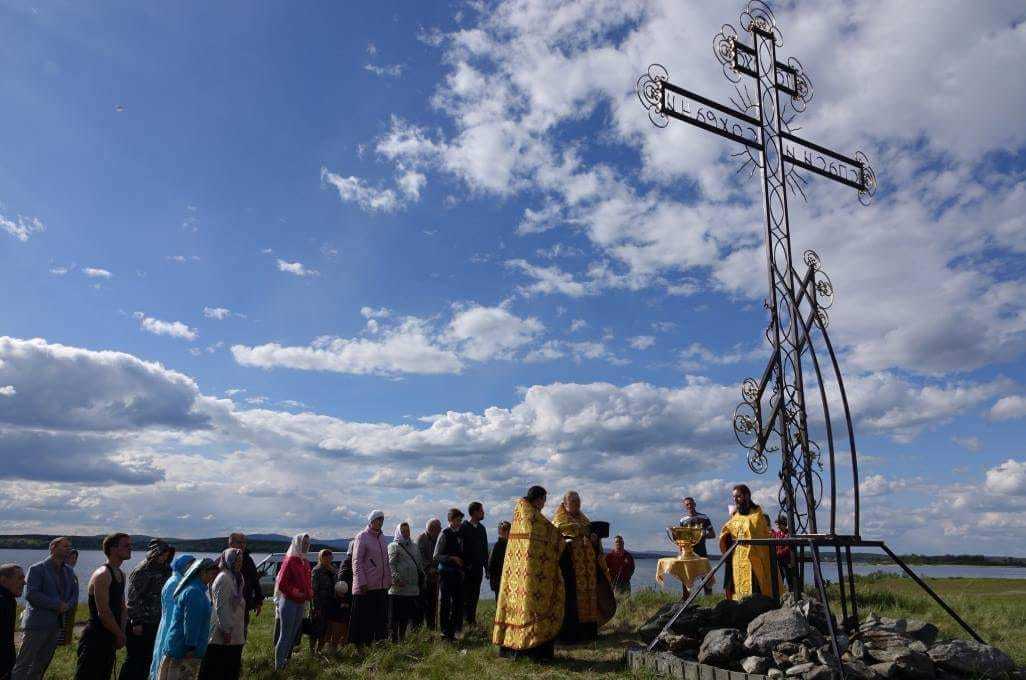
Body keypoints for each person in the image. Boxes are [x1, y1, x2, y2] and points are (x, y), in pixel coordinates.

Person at [493, 486, 564, 660]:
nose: (544, 504)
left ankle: (510, 649)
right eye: (544, 500)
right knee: (533, 609)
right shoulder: (532, 517)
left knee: (516, 609)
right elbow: (552, 534)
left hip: (517, 573)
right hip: (530, 575)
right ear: (538, 499)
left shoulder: (520, 514)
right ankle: (533, 651)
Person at [12, 536, 78, 680]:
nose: (69, 549)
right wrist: (57, 605)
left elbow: (74, 595)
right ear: (53, 548)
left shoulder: (69, 571)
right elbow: (31, 594)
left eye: (69, 546)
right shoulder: (37, 569)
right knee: (24, 663)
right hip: (37, 624)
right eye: (65, 546)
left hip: (56, 625)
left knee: (42, 663)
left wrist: (67, 605)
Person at [553, 491, 614, 643]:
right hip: (570, 570)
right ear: (565, 503)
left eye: (578, 501)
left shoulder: (584, 519)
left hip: (588, 571)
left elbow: (594, 542)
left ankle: (589, 634)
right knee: (572, 602)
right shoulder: (559, 520)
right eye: (574, 501)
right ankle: (570, 636)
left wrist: (594, 538)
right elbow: (559, 540)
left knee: (590, 600)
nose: (577, 504)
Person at [75, 533, 131, 680]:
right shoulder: (103, 574)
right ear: (113, 549)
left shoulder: (121, 574)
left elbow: (122, 607)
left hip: (110, 636)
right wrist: (119, 635)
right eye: (126, 545)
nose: (130, 548)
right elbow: (104, 613)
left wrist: (122, 632)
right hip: (95, 637)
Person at [119, 539, 174, 680]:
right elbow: (132, 598)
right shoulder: (142, 570)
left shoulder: (166, 570)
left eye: (166, 554)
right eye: (162, 554)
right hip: (141, 623)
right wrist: (136, 622)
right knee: (135, 661)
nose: (164, 557)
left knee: (148, 660)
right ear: (154, 553)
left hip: (156, 622)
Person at [156, 558, 218, 680]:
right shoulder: (194, 592)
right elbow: (191, 622)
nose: (213, 577)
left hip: (179, 646)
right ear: (202, 572)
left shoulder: (194, 588)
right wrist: (191, 646)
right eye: (211, 573)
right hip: (184, 651)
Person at [718, 485, 780, 600]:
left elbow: (759, 533)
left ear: (747, 496)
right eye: (734, 497)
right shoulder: (735, 515)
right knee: (737, 587)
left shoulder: (757, 514)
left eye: (738, 496)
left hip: (753, 556)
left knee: (755, 587)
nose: (735, 500)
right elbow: (727, 529)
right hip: (737, 556)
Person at [198, 549, 246, 680]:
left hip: (233, 632)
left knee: (229, 669)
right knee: (220, 670)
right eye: (236, 560)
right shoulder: (224, 578)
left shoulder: (236, 577)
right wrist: (227, 630)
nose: (239, 563)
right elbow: (221, 607)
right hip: (223, 635)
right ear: (228, 560)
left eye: (241, 560)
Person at [150, 554, 195, 680]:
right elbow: (171, 612)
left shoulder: (179, 581)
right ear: (183, 566)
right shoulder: (175, 583)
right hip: (170, 627)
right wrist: (174, 636)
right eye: (190, 565)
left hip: (169, 626)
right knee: (164, 664)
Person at [350, 511, 391, 646]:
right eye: (378, 519)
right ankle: (361, 646)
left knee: (379, 618)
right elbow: (357, 561)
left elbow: (386, 562)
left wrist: (388, 580)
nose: (380, 522)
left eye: (382, 519)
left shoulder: (382, 538)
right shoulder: (362, 536)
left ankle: (377, 643)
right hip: (366, 586)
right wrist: (362, 582)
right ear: (371, 520)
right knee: (364, 619)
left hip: (381, 585)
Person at [273, 534, 313, 670]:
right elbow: (281, 583)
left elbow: (307, 582)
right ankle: (278, 665)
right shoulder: (289, 560)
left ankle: (285, 661)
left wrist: (309, 592)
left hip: (301, 602)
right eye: (304, 543)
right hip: (289, 602)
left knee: (293, 634)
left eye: (308, 543)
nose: (306, 545)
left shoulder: (305, 562)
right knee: (285, 634)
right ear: (297, 543)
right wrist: (294, 591)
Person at [433, 508, 465, 641]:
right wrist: (452, 558)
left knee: (458, 603)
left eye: (460, 520)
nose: (459, 522)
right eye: (457, 520)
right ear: (451, 520)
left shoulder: (461, 533)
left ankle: (454, 631)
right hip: (446, 573)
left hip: (457, 573)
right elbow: (436, 555)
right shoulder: (444, 534)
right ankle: (445, 632)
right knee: (446, 603)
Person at [387, 522, 422, 642]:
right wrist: (396, 579)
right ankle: (393, 641)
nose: (406, 533)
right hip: (397, 589)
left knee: (405, 617)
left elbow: (419, 564)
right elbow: (390, 564)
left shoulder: (414, 546)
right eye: (403, 531)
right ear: (398, 532)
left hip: (411, 589)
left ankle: (402, 640)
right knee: (395, 618)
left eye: (408, 531)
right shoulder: (393, 546)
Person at [310, 549, 344, 655]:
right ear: (321, 558)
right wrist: (316, 606)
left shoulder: (333, 570)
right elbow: (314, 589)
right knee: (317, 628)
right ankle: (312, 650)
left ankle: (320, 649)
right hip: (320, 603)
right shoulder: (316, 570)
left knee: (326, 628)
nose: (328, 560)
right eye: (326, 558)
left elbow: (337, 583)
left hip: (332, 603)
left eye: (330, 558)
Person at [459, 502, 488, 627]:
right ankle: (463, 623)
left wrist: (487, 568)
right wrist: (464, 566)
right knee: (465, 597)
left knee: (475, 596)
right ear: (475, 512)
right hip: (465, 570)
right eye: (481, 511)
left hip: (478, 569)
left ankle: (471, 622)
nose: (483, 513)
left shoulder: (482, 529)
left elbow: (484, 549)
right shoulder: (463, 527)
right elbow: (460, 548)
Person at [226, 534, 262, 635]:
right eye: (239, 542)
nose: (242, 545)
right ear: (230, 544)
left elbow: (255, 581)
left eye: (244, 542)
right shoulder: (224, 560)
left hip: (244, 604)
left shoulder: (249, 560)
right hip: (228, 605)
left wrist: (258, 601)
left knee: (242, 634)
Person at [680, 496, 715, 595]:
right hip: (688, 552)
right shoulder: (683, 520)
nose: (689, 506)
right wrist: (681, 551)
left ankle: (709, 598)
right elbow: (681, 539)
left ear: (695, 504)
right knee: (686, 575)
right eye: (687, 504)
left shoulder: (704, 517)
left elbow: (713, 534)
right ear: (685, 506)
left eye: (691, 504)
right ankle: (686, 599)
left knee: (706, 576)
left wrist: (702, 536)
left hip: (701, 550)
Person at [415, 519, 441, 630]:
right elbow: (420, 557)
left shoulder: (437, 539)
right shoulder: (421, 539)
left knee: (433, 605)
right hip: (424, 579)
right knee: (422, 605)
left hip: (435, 578)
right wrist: (430, 568)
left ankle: (431, 628)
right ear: (432, 529)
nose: (440, 530)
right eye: (438, 528)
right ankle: (419, 629)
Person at [1, 564, 26, 679]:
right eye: (20, 578)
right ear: (4, 580)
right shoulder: (2, 601)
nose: (24, 582)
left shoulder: (9, 600)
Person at [57, 549, 80, 647]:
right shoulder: (61, 573)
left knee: (68, 631)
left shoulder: (72, 574)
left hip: (70, 609)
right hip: (63, 609)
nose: (73, 560)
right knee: (61, 633)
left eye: (75, 558)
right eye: (71, 557)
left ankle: (66, 646)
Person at [770, 515, 795, 591]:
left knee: (789, 579)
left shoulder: (788, 534)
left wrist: (778, 553)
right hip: (779, 561)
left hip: (786, 561)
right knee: (779, 580)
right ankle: (780, 595)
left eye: (779, 524)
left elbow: (788, 548)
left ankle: (792, 594)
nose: (778, 526)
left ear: (784, 524)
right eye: (777, 524)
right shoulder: (777, 534)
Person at [487, 521, 511, 596]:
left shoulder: (509, 544)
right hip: (499, 579)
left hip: (507, 578)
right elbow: (491, 564)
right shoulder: (497, 546)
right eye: (507, 531)